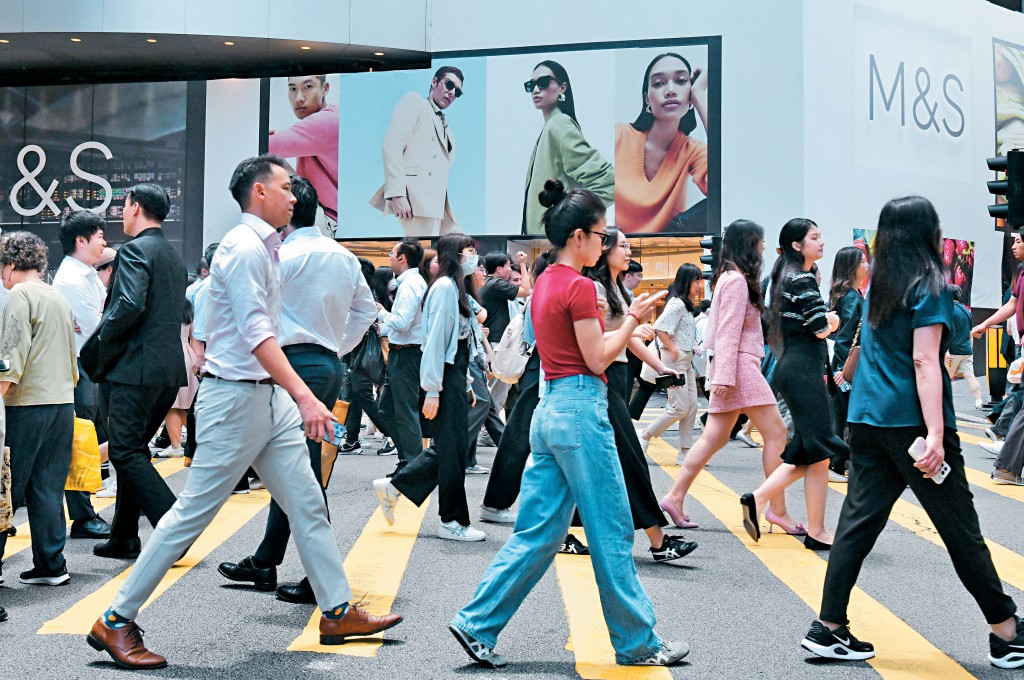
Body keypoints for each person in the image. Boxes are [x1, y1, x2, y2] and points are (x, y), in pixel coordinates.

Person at [86, 155, 401, 671]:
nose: (294, 196)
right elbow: (258, 335)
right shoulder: (244, 248)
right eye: (284, 187)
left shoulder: (266, 248)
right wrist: (305, 395)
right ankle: (116, 620)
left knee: (306, 502)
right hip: (235, 398)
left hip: (263, 396)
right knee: (191, 515)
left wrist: (291, 394)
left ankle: (337, 609)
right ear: (258, 192)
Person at [449, 179, 687, 669]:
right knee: (613, 529)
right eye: (601, 236)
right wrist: (629, 319)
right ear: (578, 237)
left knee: (538, 532)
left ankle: (477, 623)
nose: (604, 244)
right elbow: (598, 359)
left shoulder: (543, 285)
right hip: (582, 411)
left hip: (547, 411)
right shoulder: (580, 287)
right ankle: (638, 643)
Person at [801, 196, 1024, 669]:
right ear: (929, 232)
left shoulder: (878, 283)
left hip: (865, 420)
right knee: (960, 528)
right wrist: (938, 434)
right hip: (913, 427)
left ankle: (829, 627)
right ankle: (1006, 632)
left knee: (857, 525)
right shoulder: (931, 284)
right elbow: (925, 360)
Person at [217, 173, 377, 605]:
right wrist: (336, 347)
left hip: (287, 368)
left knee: (301, 475)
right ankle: (266, 559)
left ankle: (317, 579)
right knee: (292, 467)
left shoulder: (280, 256)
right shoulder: (342, 256)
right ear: (322, 214)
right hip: (326, 365)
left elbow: (253, 320)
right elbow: (367, 311)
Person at [659, 220, 793, 532]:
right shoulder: (736, 281)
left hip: (731, 369)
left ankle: (674, 497)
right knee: (776, 434)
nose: (762, 247)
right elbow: (729, 331)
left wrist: (720, 375)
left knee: (713, 438)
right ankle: (777, 509)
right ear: (750, 244)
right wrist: (723, 377)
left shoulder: (729, 278)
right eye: (759, 242)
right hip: (739, 368)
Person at [80, 184, 188, 561]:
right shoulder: (172, 256)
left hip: (132, 370)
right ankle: (124, 537)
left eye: (123, 207)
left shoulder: (135, 250)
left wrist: (96, 346)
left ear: (136, 207)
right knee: (134, 449)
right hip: (166, 371)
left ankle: (175, 529)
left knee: (124, 451)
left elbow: (127, 306)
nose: (120, 214)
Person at [584, 228, 697, 561]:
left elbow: (630, 338)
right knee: (629, 459)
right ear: (603, 249)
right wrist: (633, 324)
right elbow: (610, 334)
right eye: (623, 246)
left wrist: (660, 367)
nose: (629, 251)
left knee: (598, 462)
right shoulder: (595, 288)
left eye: (629, 246)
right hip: (601, 376)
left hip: (617, 375)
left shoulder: (618, 289)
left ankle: (565, 532)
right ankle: (658, 540)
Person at [739, 219, 847, 550]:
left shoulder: (781, 277)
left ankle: (816, 528)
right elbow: (819, 327)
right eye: (815, 237)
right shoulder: (801, 278)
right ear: (797, 246)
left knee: (817, 451)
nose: (822, 242)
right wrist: (833, 320)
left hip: (794, 366)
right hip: (802, 369)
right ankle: (760, 499)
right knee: (819, 446)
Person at [372, 233, 486, 542]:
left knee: (451, 450)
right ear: (453, 256)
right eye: (468, 251)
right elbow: (434, 341)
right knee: (452, 453)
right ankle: (451, 521)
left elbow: (456, 344)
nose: (473, 257)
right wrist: (433, 390)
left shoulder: (456, 288)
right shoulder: (445, 289)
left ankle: (397, 487)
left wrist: (465, 383)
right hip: (443, 378)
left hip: (453, 377)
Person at [0, 231, 78, 586]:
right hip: (62, 403)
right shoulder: (56, 296)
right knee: (48, 486)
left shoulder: (20, 294)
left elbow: (11, 357)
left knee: (7, 488)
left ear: (13, 264)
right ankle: (51, 564)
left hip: (26, 406)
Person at [51, 211, 112, 540]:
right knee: (79, 442)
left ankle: (84, 514)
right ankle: (83, 516)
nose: (104, 242)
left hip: (86, 368)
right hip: (79, 369)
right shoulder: (72, 281)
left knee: (84, 441)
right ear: (81, 241)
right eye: (99, 236)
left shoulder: (85, 275)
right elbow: (98, 329)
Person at [615, 53, 709, 233]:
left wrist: (699, 95)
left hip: (665, 249)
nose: (670, 90)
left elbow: (725, 189)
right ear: (647, 99)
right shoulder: (619, 136)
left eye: (681, 81)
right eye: (658, 84)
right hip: (611, 249)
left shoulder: (692, 150)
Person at [522, 60, 614, 234]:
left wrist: (571, 220)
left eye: (543, 82)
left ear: (563, 88)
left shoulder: (559, 124)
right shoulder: (552, 126)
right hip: (545, 243)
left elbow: (608, 182)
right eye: (530, 85)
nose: (535, 89)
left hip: (554, 243)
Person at [370, 66, 463, 237]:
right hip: (416, 203)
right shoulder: (415, 101)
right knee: (424, 257)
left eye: (457, 92)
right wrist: (397, 194)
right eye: (449, 85)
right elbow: (392, 145)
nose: (452, 93)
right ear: (434, 82)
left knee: (462, 245)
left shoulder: (447, 128)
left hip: (439, 207)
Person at [639, 263, 703, 464]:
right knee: (679, 407)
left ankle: (685, 452)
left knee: (691, 406)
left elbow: (682, 331)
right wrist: (674, 349)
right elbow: (660, 328)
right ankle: (645, 435)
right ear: (687, 282)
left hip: (685, 360)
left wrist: (692, 346)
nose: (700, 285)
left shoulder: (684, 304)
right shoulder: (676, 304)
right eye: (696, 281)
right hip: (674, 360)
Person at [376, 238, 428, 474]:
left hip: (407, 355)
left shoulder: (409, 285)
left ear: (402, 258)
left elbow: (402, 323)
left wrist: (381, 313)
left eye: (392, 253)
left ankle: (413, 465)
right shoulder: (410, 282)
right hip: (403, 353)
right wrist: (382, 325)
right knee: (386, 408)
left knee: (405, 411)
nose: (389, 256)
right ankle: (409, 457)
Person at [268, 75, 339, 230]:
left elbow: (263, 145)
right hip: (333, 218)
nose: (299, 98)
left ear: (325, 89)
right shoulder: (331, 116)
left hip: (332, 222)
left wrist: (264, 136)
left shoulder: (325, 122)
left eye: (308, 87)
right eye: (293, 89)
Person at [828, 246, 868, 478]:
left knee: (841, 412)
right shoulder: (852, 299)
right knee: (845, 413)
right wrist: (844, 370)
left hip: (842, 365)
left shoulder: (846, 295)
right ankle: (838, 460)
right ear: (852, 267)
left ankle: (839, 460)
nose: (867, 265)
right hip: (847, 367)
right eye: (862, 261)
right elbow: (847, 337)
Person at [481, 251, 531, 419]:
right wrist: (523, 264)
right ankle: (487, 432)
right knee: (497, 392)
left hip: (490, 342)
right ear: (499, 268)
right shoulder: (495, 284)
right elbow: (525, 290)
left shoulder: (486, 283)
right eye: (508, 266)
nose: (510, 270)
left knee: (496, 390)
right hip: (495, 344)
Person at [946, 285, 983, 410]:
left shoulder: (949, 310)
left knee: (943, 378)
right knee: (970, 376)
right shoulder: (966, 311)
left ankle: (941, 405)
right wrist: (970, 348)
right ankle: (978, 400)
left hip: (952, 352)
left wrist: (945, 351)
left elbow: (947, 331)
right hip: (966, 350)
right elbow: (970, 332)